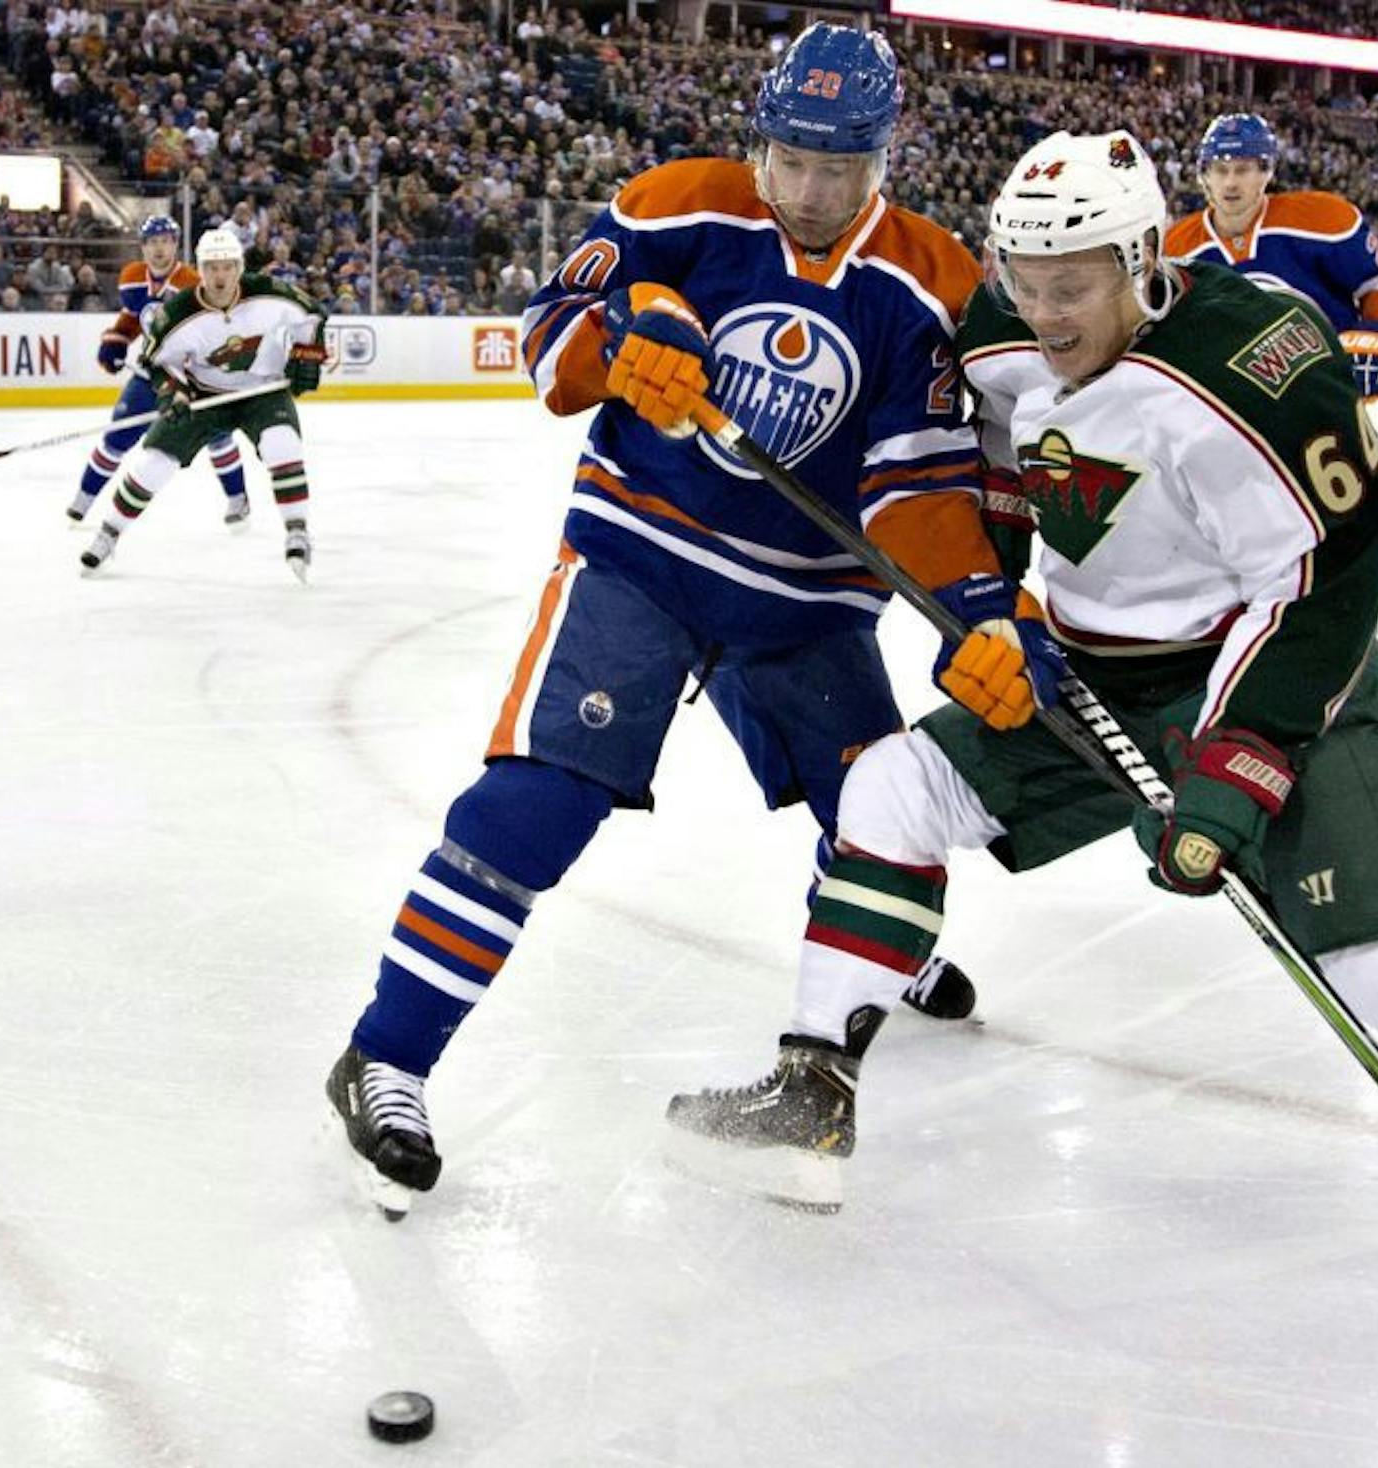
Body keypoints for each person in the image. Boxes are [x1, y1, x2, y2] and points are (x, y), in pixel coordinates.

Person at [668, 131, 1378, 1408]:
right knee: (893, 789)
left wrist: (1236, 770)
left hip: (1280, 675)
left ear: (1140, 260)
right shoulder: (1003, 328)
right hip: (1091, 676)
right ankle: (814, 1088)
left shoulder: (1260, 362)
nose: (1043, 308)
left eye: (1074, 281)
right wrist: (996, 610)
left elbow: (1325, 578)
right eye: (1024, 274)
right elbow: (999, 473)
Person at [323, 23, 1025, 1220]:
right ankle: (385, 1058)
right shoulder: (675, 206)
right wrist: (616, 352)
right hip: (640, 555)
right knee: (538, 800)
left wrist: (979, 615)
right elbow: (549, 347)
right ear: (763, 139)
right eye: (792, 160)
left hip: (806, 602)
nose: (811, 192)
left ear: (883, 158)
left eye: (840, 168)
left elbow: (919, 485)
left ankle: (876, 954)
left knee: (882, 811)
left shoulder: (932, 281)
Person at [78, 226, 329, 580]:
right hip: (204, 394)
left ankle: (297, 530)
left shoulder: (270, 293)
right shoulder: (179, 313)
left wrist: (308, 355)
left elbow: (314, 316)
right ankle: (108, 534)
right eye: (211, 267)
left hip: (263, 390)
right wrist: (172, 393)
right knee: (153, 463)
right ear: (200, 269)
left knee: (282, 445)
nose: (220, 275)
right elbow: (157, 364)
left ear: (239, 268)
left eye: (227, 266)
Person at [1163, 113, 1378, 399]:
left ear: (1266, 171)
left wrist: (1375, 338)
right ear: (1204, 175)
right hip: (1232, 408)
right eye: (1220, 170)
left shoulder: (1321, 220)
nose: (1230, 183)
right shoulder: (1176, 248)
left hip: (1324, 395)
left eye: (1243, 169)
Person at [69, 215, 251, 531]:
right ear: (142, 247)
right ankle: (83, 500)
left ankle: (238, 499)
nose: (159, 248)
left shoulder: (193, 282)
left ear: (176, 245)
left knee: (217, 435)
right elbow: (133, 317)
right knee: (116, 437)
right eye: (152, 242)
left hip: (192, 377)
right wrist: (116, 341)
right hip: (149, 374)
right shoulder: (132, 277)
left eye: (165, 241)